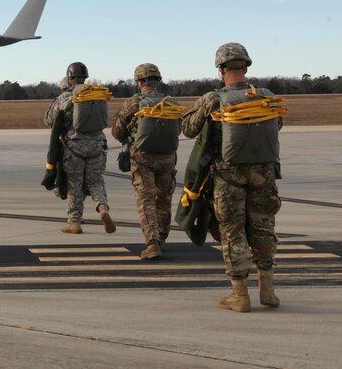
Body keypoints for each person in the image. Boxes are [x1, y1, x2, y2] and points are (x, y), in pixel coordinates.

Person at [182, 42, 286, 312]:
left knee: (232, 232)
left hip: (228, 177)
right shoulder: (266, 95)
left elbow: (189, 129)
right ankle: (268, 291)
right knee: (264, 229)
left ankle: (240, 295)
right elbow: (278, 125)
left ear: (221, 69)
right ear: (246, 66)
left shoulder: (213, 99)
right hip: (264, 176)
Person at [111, 63, 181, 259]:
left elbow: (117, 131)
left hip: (142, 159)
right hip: (167, 159)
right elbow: (179, 130)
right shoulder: (171, 103)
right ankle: (162, 237)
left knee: (146, 200)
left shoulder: (133, 103)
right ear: (157, 80)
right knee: (164, 199)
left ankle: (152, 242)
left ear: (139, 81)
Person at [44, 62, 116, 234]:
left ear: (70, 78)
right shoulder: (97, 94)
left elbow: (49, 120)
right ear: (85, 77)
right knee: (96, 181)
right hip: (98, 146)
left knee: (74, 185)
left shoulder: (66, 97)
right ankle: (103, 207)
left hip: (74, 147)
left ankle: (74, 222)